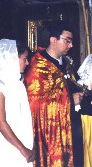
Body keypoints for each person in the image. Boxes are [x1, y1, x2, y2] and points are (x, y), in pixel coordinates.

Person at [24, 21, 84, 166]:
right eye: (67, 41)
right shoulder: (37, 66)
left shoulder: (66, 63)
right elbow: (36, 104)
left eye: (71, 42)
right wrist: (70, 101)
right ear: (53, 40)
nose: (71, 45)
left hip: (71, 125)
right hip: (50, 133)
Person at [0, 39, 34, 167]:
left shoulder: (18, 84)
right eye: (24, 58)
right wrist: (23, 149)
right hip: (6, 151)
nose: (27, 62)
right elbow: (1, 123)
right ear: (12, 58)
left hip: (21, 148)